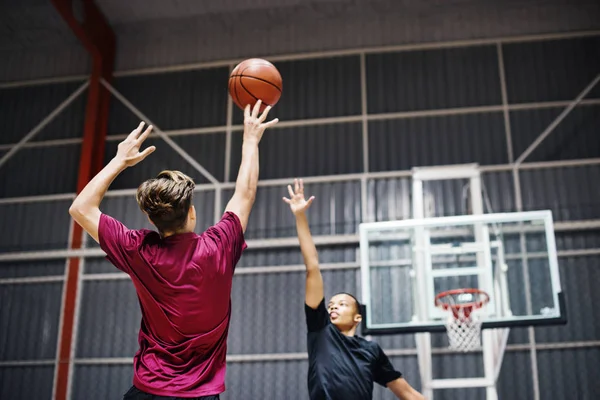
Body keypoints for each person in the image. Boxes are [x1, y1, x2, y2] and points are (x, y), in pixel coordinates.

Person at [69, 100, 278, 399]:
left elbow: (81, 208)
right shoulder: (218, 246)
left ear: (151, 218)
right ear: (191, 213)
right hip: (200, 394)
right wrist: (250, 138)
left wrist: (119, 160)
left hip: (148, 390)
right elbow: (245, 193)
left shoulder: (138, 249)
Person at [283, 179, 425, 400]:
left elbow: (407, 393)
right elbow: (312, 266)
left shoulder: (371, 351)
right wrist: (300, 216)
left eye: (342, 304)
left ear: (358, 317)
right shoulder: (321, 330)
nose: (333, 307)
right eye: (331, 305)